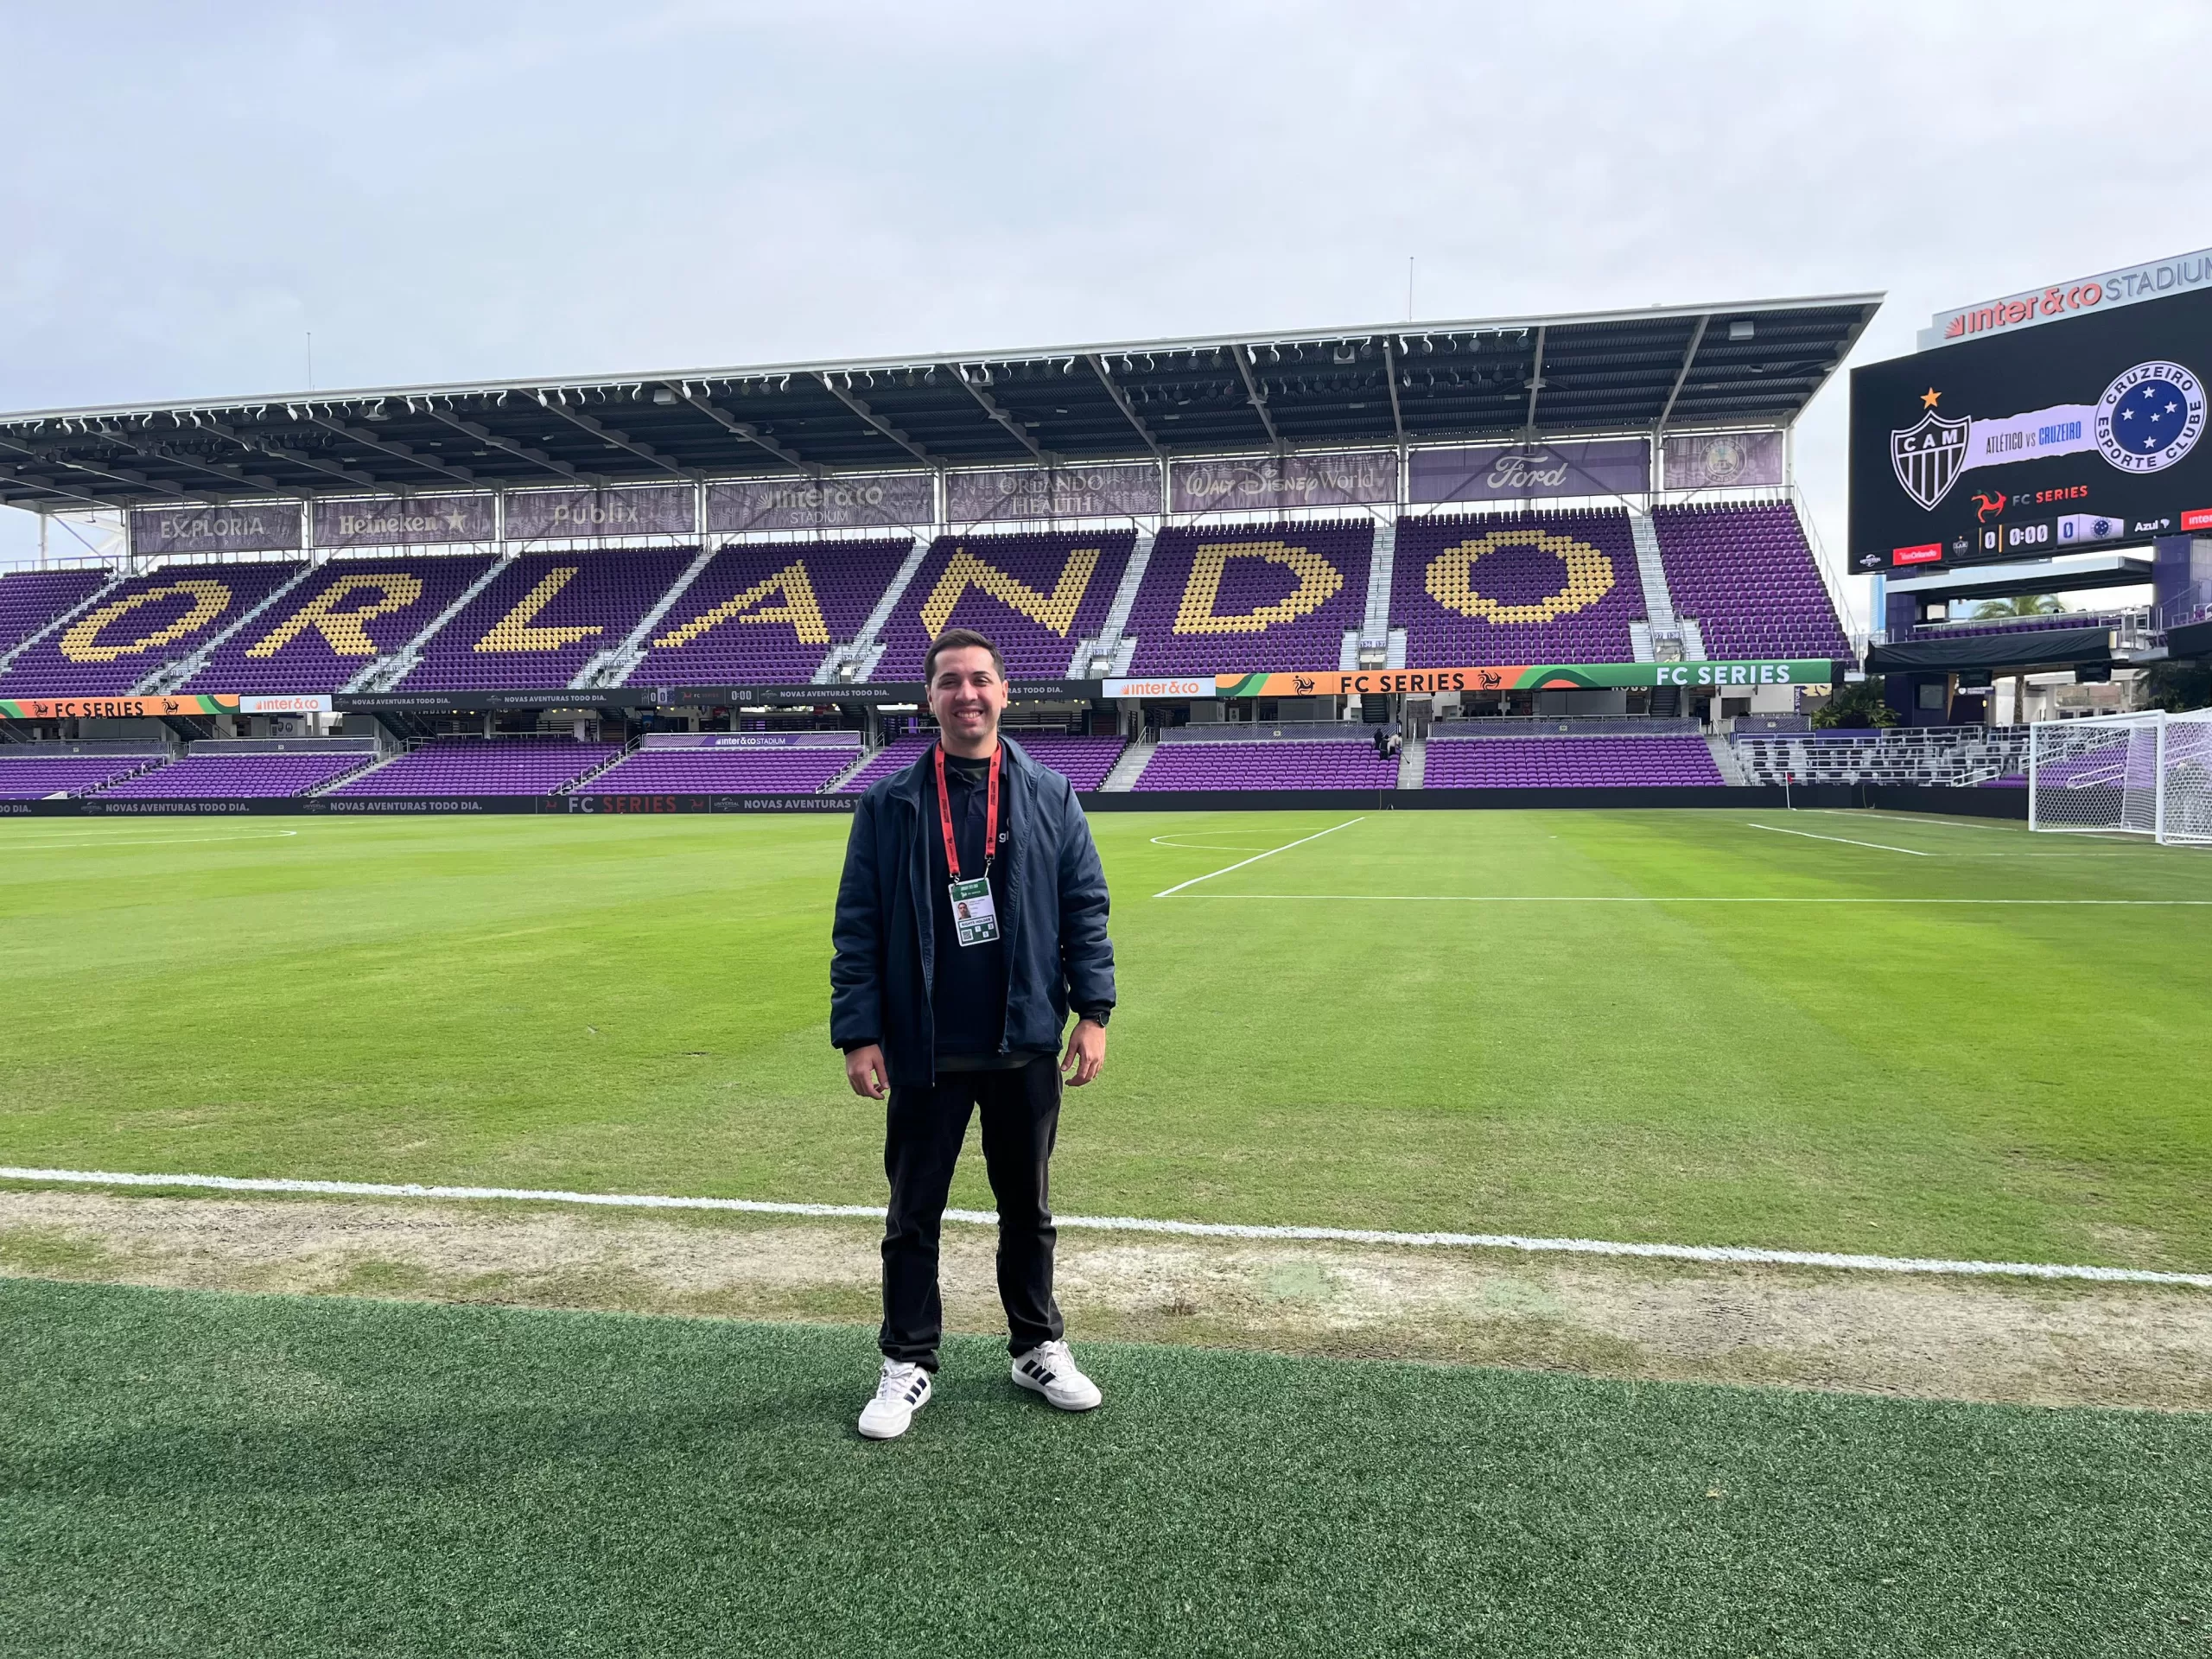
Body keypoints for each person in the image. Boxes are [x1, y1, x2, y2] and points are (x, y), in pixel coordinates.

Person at [830, 627, 1116, 1440]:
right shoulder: (887, 805)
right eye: (951, 681)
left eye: (981, 680)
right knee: (912, 1213)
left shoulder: (1051, 794)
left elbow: (1084, 911)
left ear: (1003, 692)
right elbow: (857, 928)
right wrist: (858, 1033)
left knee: (1027, 1209)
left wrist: (1093, 1014)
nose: (967, 694)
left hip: (1023, 1040)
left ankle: (1037, 1346)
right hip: (922, 1046)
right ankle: (908, 1360)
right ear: (930, 698)